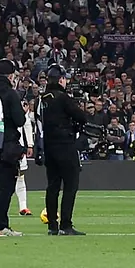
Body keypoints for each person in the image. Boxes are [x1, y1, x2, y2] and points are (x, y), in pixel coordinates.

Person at [38, 64, 89, 235]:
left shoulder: (43, 98)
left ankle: (52, 225)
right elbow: (81, 117)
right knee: (70, 185)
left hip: (49, 146)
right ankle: (66, 224)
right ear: (61, 80)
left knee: (52, 186)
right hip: (65, 146)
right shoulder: (62, 97)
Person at [0, 59, 27, 237]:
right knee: (6, 186)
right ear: (10, 75)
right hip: (6, 145)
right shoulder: (10, 93)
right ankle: (1, 226)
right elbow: (19, 120)